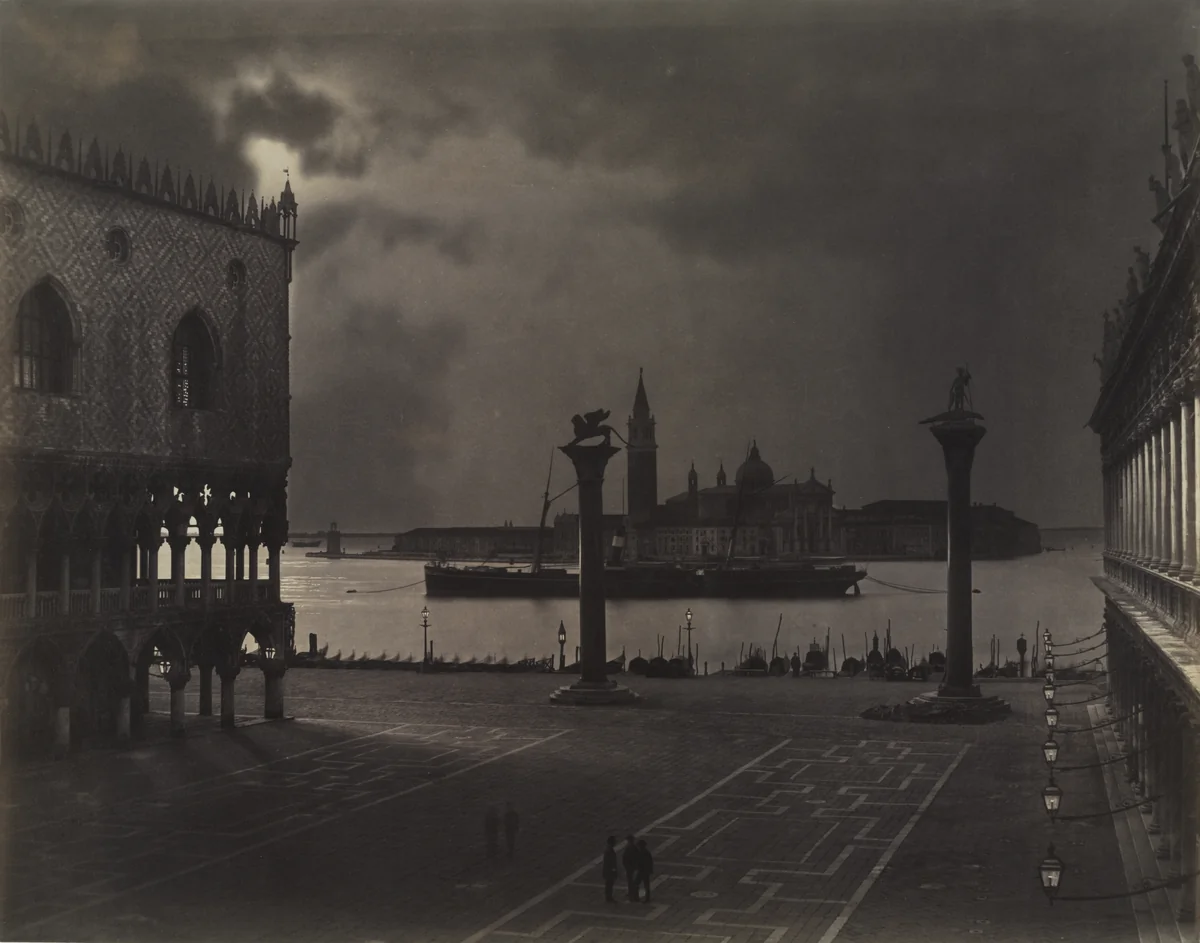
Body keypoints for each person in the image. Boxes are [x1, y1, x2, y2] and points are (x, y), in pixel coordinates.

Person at [622, 835, 640, 901]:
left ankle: (632, 894)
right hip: (633, 867)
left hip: (630, 867)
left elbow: (625, 858)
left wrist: (626, 866)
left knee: (631, 881)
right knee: (633, 881)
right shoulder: (634, 848)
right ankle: (633, 895)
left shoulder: (628, 848)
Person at [602, 836, 618, 903]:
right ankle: (609, 897)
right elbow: (610, 862)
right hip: (609, 871)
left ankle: (609, 897)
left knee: (609, 884)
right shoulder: (609, 850)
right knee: (609, 884)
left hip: (608, 870)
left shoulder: (608, 849)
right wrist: (614, 870)